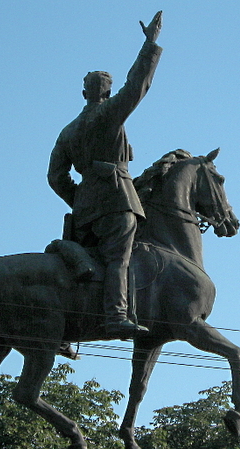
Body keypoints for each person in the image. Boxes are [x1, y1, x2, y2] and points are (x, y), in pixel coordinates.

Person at [47, 12, 163, 339]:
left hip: (85, 209)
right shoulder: (109, 114)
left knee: (86, 265)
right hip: (116, 200)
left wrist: (82, 197)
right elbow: (138, 85)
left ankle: (67, 328)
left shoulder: (69, 131)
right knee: (118, 258)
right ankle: (115, 316)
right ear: (108, 94)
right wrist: (150, 45)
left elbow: (55, 177)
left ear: (84, 93)